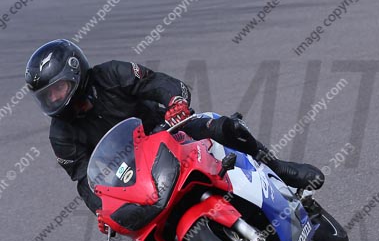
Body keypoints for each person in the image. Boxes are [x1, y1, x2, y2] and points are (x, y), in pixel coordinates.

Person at [25, 40, 324, 224]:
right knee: (135, 231)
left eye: (57, 89)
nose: (54, 99)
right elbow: (84, 180)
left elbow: (160, 83)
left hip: (166, 130)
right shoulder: (60, 133)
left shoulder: (112, 73)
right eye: (47, 95)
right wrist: (100, 210)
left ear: (75, 71)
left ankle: (278, 168)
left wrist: (175, 103)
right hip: (129, 177)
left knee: (221, 126)